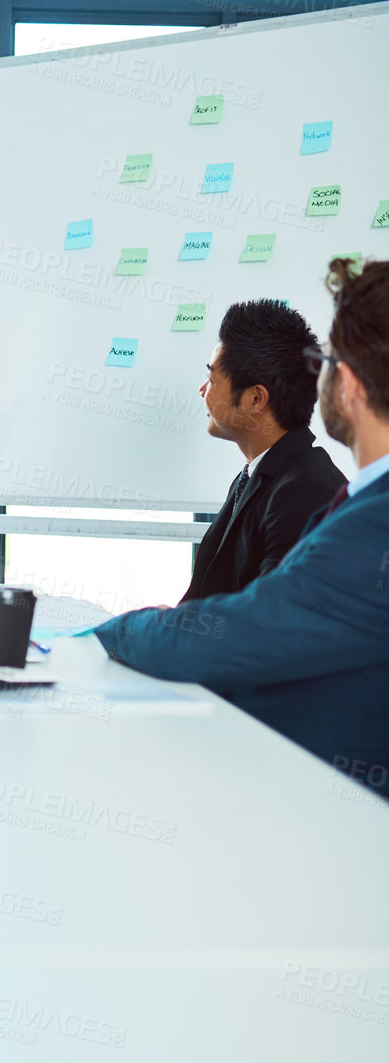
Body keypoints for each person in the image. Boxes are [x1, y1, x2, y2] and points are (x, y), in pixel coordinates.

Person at [95, 257, 389, 798]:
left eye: (328, 358)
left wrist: (108, 631)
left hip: (310, 802)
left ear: (346, 382)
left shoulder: (361, 521)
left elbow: (251, 635)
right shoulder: (301, 487)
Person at [182, 299, 347, 601]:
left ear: (256, 399)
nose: (202, 391)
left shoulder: (305, 490)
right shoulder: (260, 473)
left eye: (211, 378)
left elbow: (269, 623)